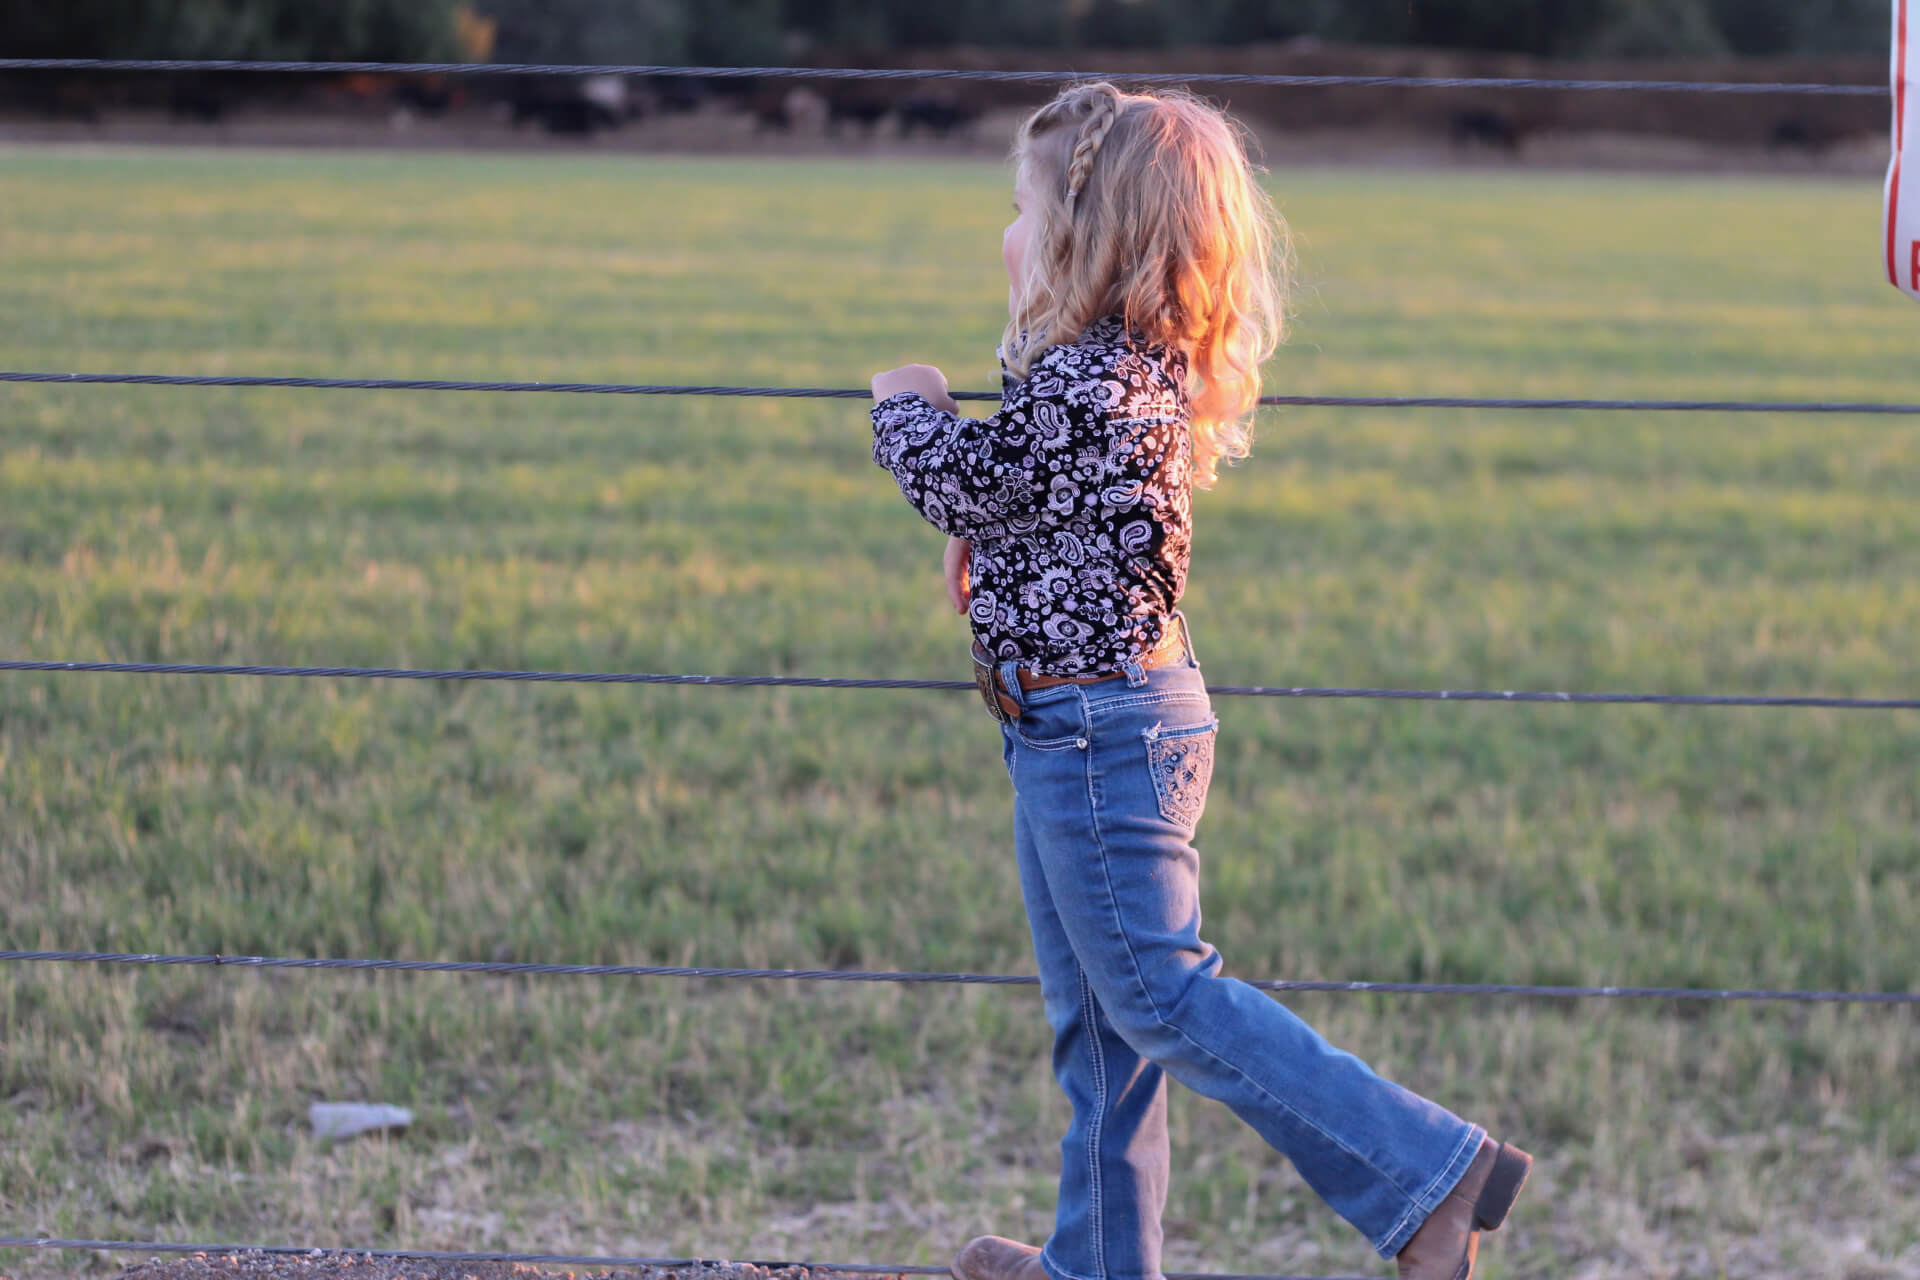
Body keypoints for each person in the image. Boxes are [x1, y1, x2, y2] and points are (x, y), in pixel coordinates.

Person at [868, 82, 1531, 1280]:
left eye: (1018, 209)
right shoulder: (1107, 376)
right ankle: (1099, 1263)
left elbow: (966, 480)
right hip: (1070, 718)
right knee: (1106, 1029)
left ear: (1086, 237)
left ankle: (1429, 1175)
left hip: (1096, 725)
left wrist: (907, 401)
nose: (1004, 235)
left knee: (1162, 998)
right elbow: (1033, 505)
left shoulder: (1093, 387)